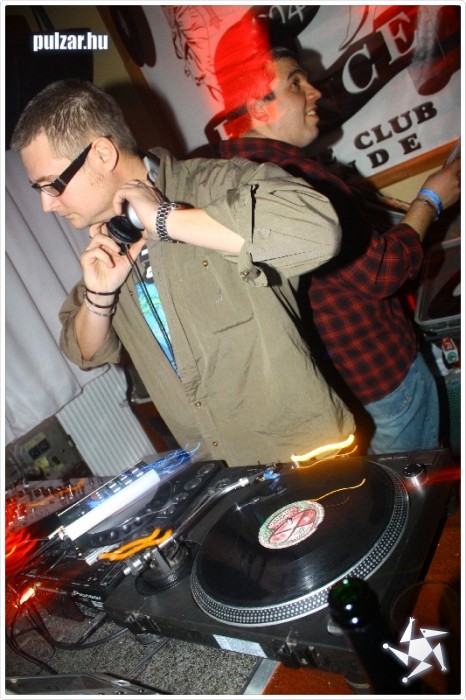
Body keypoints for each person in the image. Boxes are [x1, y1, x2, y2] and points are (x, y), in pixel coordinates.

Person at [10, 79, 356, 468]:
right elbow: (82, 352)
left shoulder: (215, 184)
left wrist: (165, 219)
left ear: (103, 154)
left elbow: (318, 231)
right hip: (216, 470)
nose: (46, 205)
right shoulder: (111, 241)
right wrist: (100, 297)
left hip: (308, 459)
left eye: (52, 185)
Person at [212, 13, 461, 454]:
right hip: (382, 378)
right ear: (258, 107)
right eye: (296, 83)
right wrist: (432, 198)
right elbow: (383, 271)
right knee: (418, 489)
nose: (315, 93)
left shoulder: (220, 172)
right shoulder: (295, 177)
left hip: (334, 388)